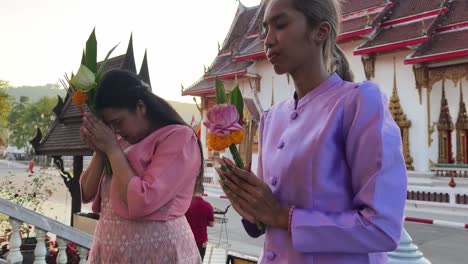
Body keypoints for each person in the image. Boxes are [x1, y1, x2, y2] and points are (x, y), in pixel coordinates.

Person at [216, 0, 407, 263]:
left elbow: (381, 227)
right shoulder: (272, 119)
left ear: (321, 32)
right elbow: (267, 220)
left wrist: (283, 216)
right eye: (265, 30)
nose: (268, 40)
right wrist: (249, 205)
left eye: (280, 25)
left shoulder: (358, 103)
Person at [79, 69, 203, 263]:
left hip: (159, 253)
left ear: (140, 107)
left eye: (118, 122)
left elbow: (143, 200)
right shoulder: (119, 140)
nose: (116, 130)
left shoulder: (179, 137)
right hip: (111, 252)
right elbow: (86, 193)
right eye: (110, 125)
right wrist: (101, 149)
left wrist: (112, 150)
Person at [185, 179, 215, 261]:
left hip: (187, 238)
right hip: (201, 241)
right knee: (199, 260)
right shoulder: (208, 206)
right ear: (202, 192)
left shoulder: (185, 204)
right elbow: (212, 224)